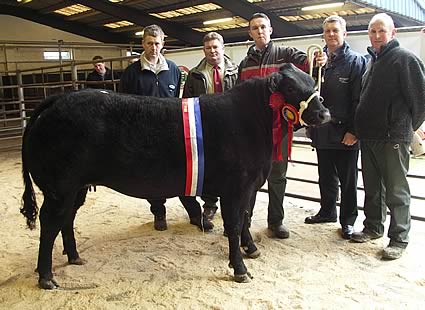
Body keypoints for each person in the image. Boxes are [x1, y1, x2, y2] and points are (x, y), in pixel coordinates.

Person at [238, 12, 327, 239]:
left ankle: (275, 221)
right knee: (250, 176)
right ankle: (244, 220)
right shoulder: (244, 64)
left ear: (270, 30)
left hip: (281, 127)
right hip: (253, 131)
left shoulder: (287, 55)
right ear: (250, 33)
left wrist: (320, 58)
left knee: (277, 176)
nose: (259, 31)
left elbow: (309, 66)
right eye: (255, 28)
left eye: (263, 27)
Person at [119, 24, 211, 232]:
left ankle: (195, 214)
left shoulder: (174, 70)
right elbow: (123, 105)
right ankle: (159, 213)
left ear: (163, 44)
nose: (154, 47)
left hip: (172, 132)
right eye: (149, 43)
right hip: (144, 134)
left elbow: (177, 99)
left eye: (157, 43)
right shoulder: (131, 73)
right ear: (143, 44)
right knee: (152, 175)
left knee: (183, 172)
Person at [352, 13, 425, 260]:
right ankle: (373, 227)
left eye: (381, 31)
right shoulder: (373, 61)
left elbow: (421, 100)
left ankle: (399, 238)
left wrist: (403, 127)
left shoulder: (404, 59)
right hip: (370, 137)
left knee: (396, 189)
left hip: (392, 137)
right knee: (373, 188)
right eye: (372, 32)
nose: (376, 36)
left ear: (393, 33)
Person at [304, 16, 367, 240]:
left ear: (345, 34)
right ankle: (327, 211)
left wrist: (354, 131)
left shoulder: (356, 61)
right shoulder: (318, 62)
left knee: (348, 180)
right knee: (326, 176)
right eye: (328, 31)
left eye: (335, 31)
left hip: (344, 133)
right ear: (323, 34)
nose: (331, 34)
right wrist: (314, 70)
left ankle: (348, 220)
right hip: (323, 131)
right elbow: (310, 94)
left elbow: (358, 100)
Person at [182, 32, 238, 223]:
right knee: (209, 167)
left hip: (231, 128)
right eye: (208, 48)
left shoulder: (236, 72)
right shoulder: (194, 75)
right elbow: (186, 102)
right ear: (203, 50)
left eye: (216, 47)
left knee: (232, 166)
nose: (212, 51)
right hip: (205, 128)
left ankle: (231, 204)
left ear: (222, 48)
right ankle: (210, 204)